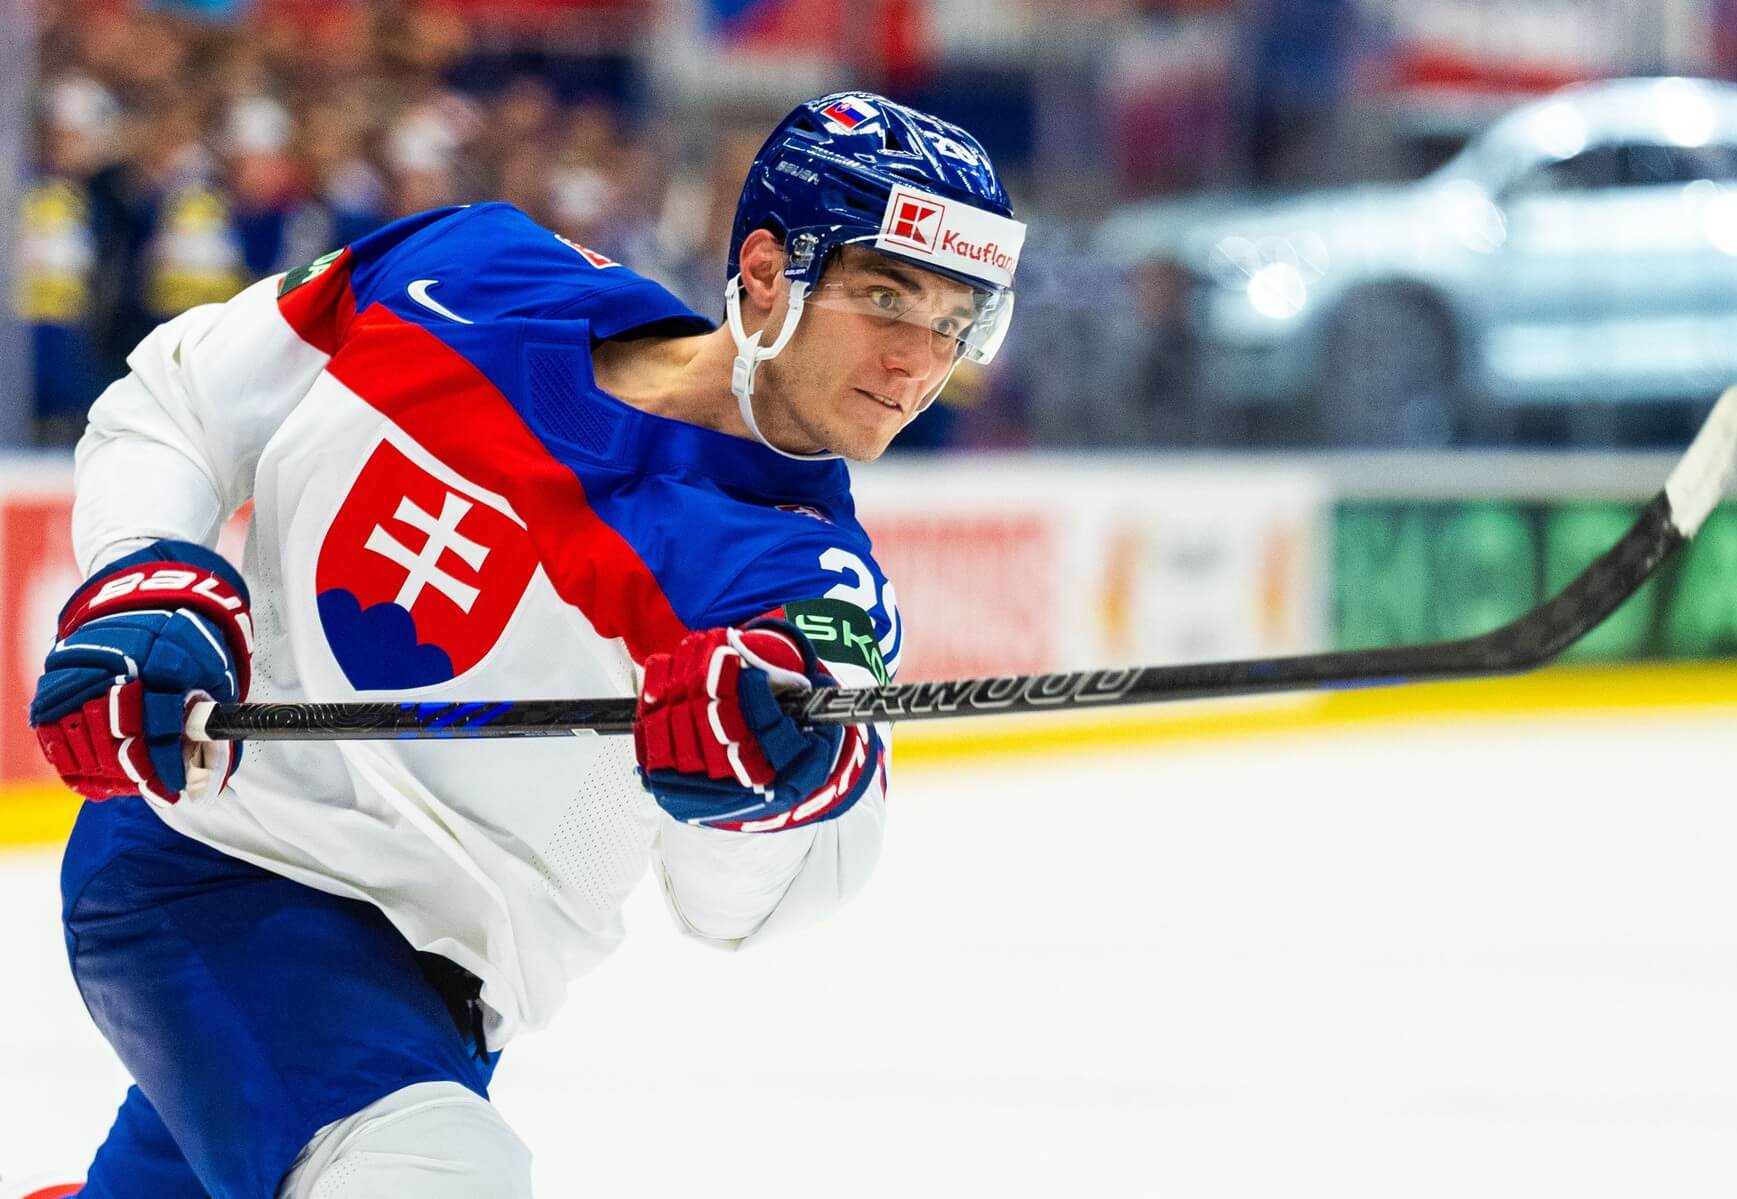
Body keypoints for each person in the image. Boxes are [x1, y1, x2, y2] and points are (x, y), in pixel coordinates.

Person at [25, 91, 1026, 1198]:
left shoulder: (803, 583)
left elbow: (752, 903)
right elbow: (179, 401)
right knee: (429, 1173)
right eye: (886, 296)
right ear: (765, 269)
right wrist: (141, 573)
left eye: (957, 321)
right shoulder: (468, 270)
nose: (919, 362)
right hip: (210, 863)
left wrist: (758, 795)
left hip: (430, 1010)